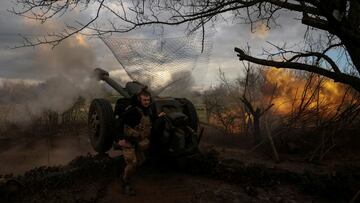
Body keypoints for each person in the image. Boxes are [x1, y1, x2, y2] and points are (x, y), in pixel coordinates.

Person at [117, 88, 165, 196]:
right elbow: (119, 123)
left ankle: (126, 173)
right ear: (140, 100)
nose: (147, 102)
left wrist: (158, 116)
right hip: (128, 140)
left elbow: (148, 120)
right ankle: (125, 183)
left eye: (148, 100)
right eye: (144, 100)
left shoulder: (146, 111)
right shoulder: (133, 111)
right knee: (132, 163)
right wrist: (119, 139)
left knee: (141, 161)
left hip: (138, 140)